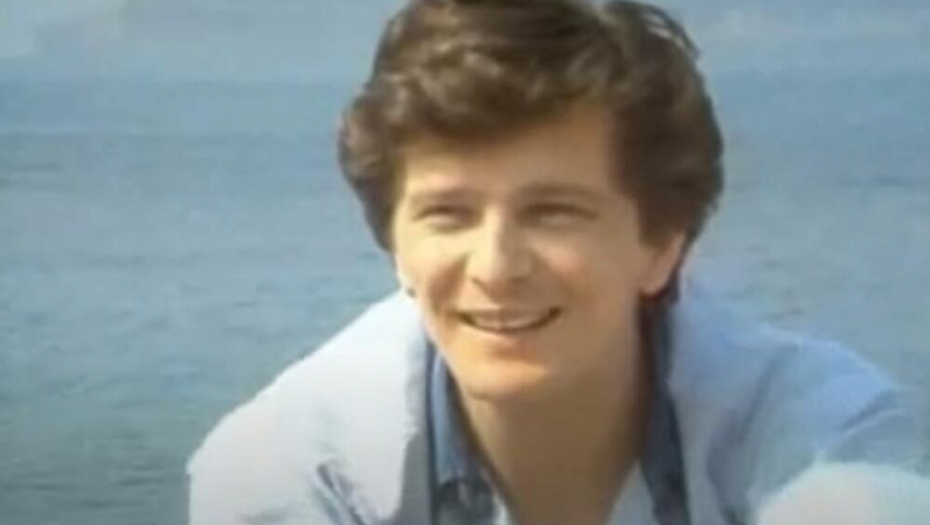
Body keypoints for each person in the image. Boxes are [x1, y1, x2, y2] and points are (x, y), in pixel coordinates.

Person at [187, 1, 925, 524]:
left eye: (553, 212)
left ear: (663, 245)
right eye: (448, 214)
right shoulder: (291, 470)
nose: (495, 265)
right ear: (397, 248)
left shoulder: (817, 432)